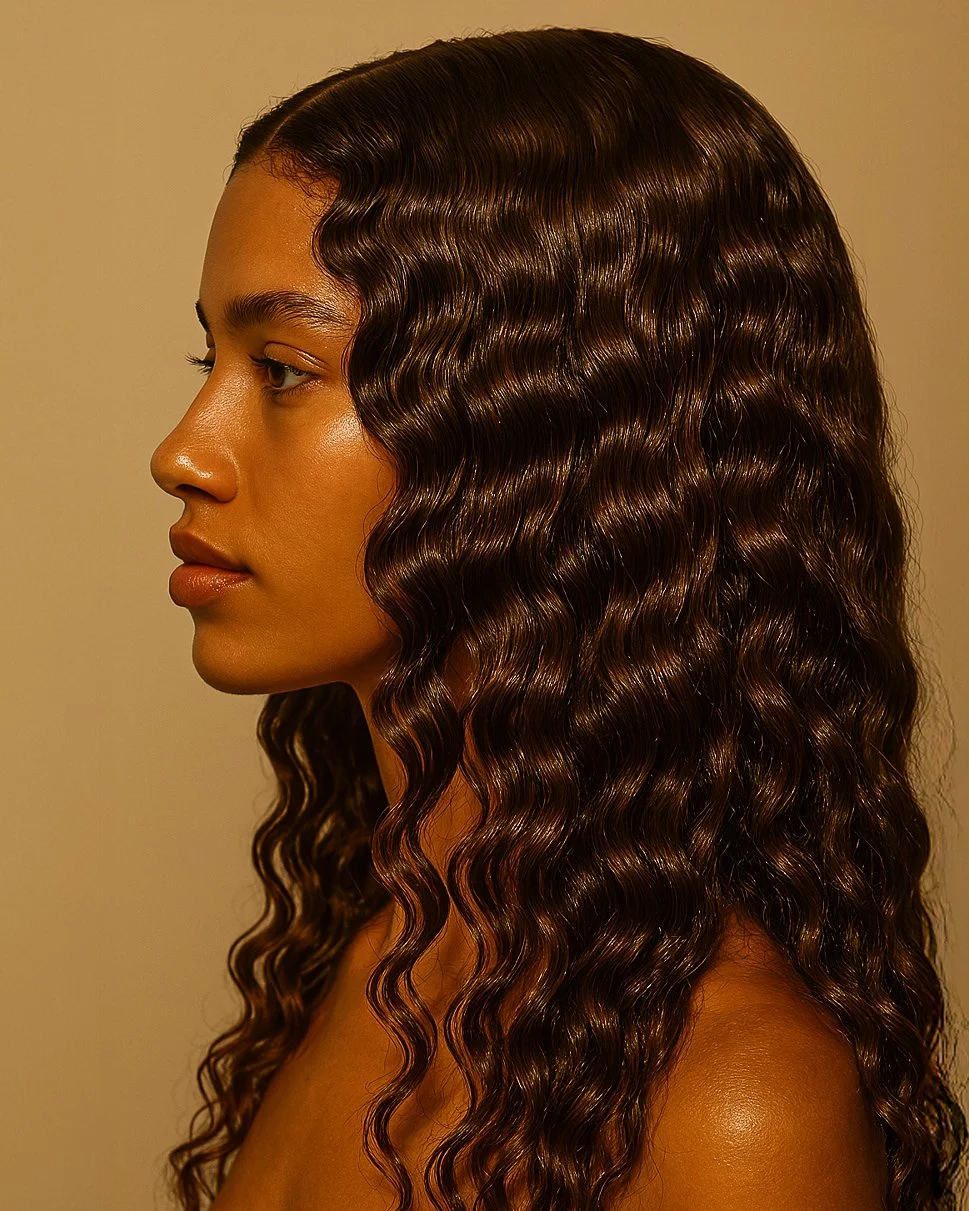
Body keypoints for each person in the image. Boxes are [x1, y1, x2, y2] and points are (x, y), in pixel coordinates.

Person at [149, 27, 966, 1211]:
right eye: (206, 354)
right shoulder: (395, 948)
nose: (182, 450)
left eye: (281, 368)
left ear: (549, 439)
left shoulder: (730, 1106)